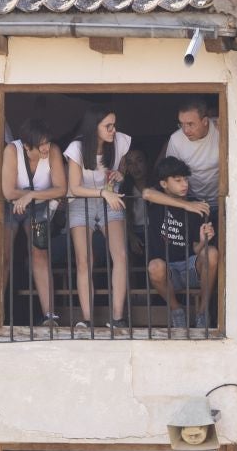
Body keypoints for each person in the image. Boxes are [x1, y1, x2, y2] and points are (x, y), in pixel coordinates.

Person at [62, 107, 135, 331]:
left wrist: (120, 175)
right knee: (84, 261)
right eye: (108, 126)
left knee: (120, 256)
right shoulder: (77, 148)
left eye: (114, 125)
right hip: (81, 202)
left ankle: (117, 317)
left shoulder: (120, 141)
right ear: (94, 128)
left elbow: (121, 171)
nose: (113, 130)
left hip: (110, 198)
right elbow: (74, 188)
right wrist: (103, 192)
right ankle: (86, 318)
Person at [1, 120, 66, 327]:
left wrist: (31, 197)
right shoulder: (12, 150)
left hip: (38, 206)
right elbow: (8, 192)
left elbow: (61, 189)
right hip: (12, 205)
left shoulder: (53, 150)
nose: (46, 148)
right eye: (41, 145)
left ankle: (49, 315)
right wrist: (30, 196)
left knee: (40, 253)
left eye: (48, 143)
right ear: (27, 146)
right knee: (3, 255)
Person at [145, 156, 218, 328]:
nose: (184, 184)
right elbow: (147, 193)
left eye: (185, 179)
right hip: (168, 271)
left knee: (212, 252)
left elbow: (194, 248)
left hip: (190, 267)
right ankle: (176, 310)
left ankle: (202, 312)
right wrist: (185, 205)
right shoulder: (156, 202)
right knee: (154, 266)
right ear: (164, 184)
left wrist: (202, 241)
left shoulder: (197, 206)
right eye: (177, 180)